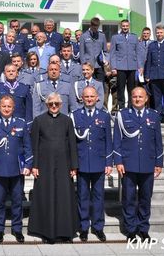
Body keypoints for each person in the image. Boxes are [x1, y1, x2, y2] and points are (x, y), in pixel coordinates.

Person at [114, 87, 163, 242]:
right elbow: (117, 141)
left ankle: (143, 228)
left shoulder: (154, 116)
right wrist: (119, 161)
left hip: (148, 164)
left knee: (145, 198)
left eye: (140, 97)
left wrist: (159, 162)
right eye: (134, 96)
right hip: (128, 164)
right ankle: (130, 230)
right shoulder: (122, 115)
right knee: (128, 198)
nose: (137, 99)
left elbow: (158, 142)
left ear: (146, 98)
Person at [28, 92, 78, 244]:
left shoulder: (67, 120)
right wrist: (34, 165)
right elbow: (34, 145)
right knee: (47, 196)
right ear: (46, 105)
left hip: (64, 165)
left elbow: (72, 145)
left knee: (64, 198)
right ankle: (46, 232)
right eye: (51, 104)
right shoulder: (39, 120)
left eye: (57, 104)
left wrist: (74, 166)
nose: (54, 106)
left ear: (61, 105)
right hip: (44, 164)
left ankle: (65, 232)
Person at [0, 95, 32, 243]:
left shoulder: (21, 124)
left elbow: (27, 147)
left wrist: (28, 165)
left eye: (9, 106)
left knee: (17, 201)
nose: (6, 109)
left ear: (13, 107)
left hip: (17, 170)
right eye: (3, 106)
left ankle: (17, 229)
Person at [70, 87, 112, 242]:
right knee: (82, 196)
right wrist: (72, 164)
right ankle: (83, 227)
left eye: (91, 96)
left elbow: (108, 140)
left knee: (98, 196)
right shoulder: (75, 116)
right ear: (82, 98)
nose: (89, 99)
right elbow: (72, 143)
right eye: (86, 96)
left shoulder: (104, 116)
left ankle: (98, 227)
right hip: (81, 163)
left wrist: (109, 162)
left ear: (97, 98)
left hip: (99, 162)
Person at [110, 19, 146, 109]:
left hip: (132, 67)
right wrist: (113, 67)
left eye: (126, 26)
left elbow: (138, 52)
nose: (125, 27)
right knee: (120, 89)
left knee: (132, 88)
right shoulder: (115, 38)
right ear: (121, 26)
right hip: (120, 67)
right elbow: (112, 53)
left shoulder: (134, 37)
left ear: (129, 26)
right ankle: (121, 107)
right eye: (123, 26)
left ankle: (131, 107)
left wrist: (140, 66)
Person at [144, 25, 164, 123]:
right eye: (157, 32)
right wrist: (147, 75)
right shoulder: (152, 45)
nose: (159, 34)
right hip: (154, 75)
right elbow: (148, 61)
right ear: (155, 33)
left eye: (161, 32)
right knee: (156, 97)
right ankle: (158, 115)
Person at [79, 17, 108, 82]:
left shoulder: (102, 36)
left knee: (100, 85)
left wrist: (106, 60)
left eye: (97, 27)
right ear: (91, 25)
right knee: (88, 85)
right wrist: (84, 65)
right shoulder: (84, 36)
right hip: (88, 65)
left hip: (99, 65)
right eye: (94, 27)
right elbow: (82, 53)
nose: (95, 29)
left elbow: (105, 51)